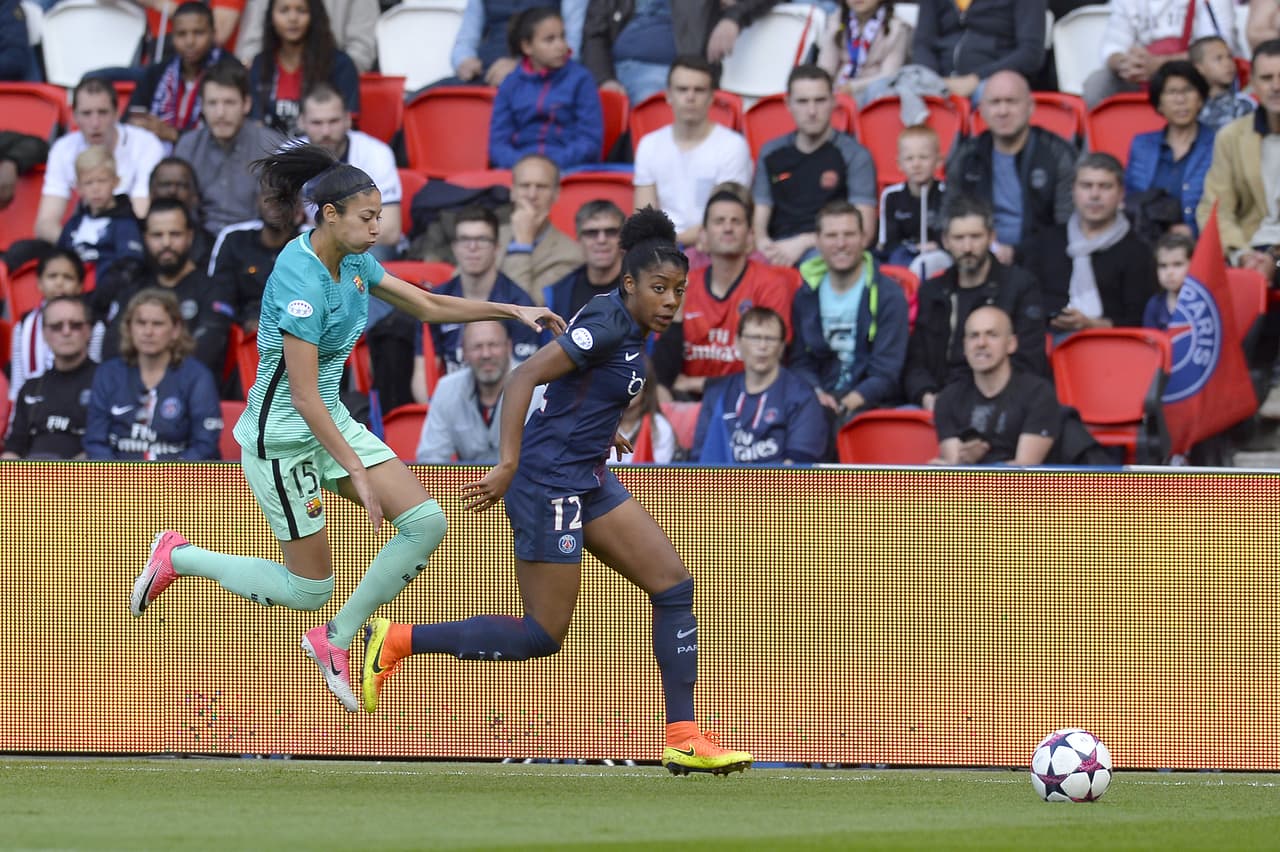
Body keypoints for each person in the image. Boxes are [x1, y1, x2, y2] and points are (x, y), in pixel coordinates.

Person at [127, 143, 564, 715]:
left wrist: (511, 311)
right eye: (367, 217)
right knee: (310, 589)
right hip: (281, 441)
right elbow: (302, 396)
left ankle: (334, 640)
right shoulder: (298, 277)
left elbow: (426, 306)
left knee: (425, 522)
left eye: (379, 215)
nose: (378, 227)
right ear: (329, 215)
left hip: (328, 421)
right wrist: (356, 471)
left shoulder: (354, 260)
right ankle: (179, 556)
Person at [357, 207, 753, 776]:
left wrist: (600, 420)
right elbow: (525, 377)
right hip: (547, 481)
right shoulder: (610, 324)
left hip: (586, 473)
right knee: (541, 633)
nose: (670, 301)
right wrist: (510, 463)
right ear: (630, 285)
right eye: (660, 289)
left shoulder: (625, 325)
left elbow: (586, 379)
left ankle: (684, 735)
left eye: (679, 291)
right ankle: (396, 640)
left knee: (672, 585)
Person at [652, 189, 801, 401]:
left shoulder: (771, 285)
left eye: (736, 221)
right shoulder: (682, 285)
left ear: (750, 237)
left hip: (750, 398)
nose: (728, 228)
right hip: (688, 400)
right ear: (702, 236)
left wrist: (699, 383)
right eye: (719, 221)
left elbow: (768, 365)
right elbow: (664, 374)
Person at [903, 195, 1046, 410]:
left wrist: (970, 398)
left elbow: (1029, 360)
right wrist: (926, 395)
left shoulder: (1020, 286)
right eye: (959, 238)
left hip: (999, 401)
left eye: (975, 237)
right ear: (945, 240)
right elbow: (915, 362)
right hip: (938, 400)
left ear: (991, 237)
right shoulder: (932, 291)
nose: (967, 247)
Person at [791, 200, 909, 419]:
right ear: (817, 241)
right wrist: (816, 395)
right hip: (819, 399)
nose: (841, 243)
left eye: (849, 234)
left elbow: (887, 372)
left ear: (864, 239)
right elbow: (800, 361)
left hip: (870, 404)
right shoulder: (805, 295)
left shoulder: (888, 295)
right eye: (831, 236)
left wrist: (843, 405)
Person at [945, 70, 1076, 265]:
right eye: (995, 103)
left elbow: (1066, 226)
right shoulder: (966, 156)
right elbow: (950, 215)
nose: (1003, 111)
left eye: (1011, 101)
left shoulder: (1057, 154)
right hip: (975, 255)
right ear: (982, 109)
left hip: (1041, 260)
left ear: (1030, 107)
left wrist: (1018, 252)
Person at [92, 199, 235, 378]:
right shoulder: (133, 289)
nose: (166, 243)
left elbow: (207, 352)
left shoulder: (214, 289)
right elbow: (112, 349)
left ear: (190, 236)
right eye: (157, 235)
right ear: (145, 238)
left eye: (175, 234)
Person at [752, 65, 878, 268]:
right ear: (788, 103)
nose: (811, 111)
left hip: (828, 250)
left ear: (834, 101)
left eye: (820, 100)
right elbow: (759, 222)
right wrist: (765, 245)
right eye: (802, 101)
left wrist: (803, 242)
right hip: (777, 248)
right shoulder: (771, 152)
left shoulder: (855, 155)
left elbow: (864, 232)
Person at [1025, 152, 1158, 332]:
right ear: (1073, 191)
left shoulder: (1138, 252)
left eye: (1105, 186)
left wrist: (1092, 325)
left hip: (1111, 349)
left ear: (1121, 194)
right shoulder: (1046, 242)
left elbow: (1140, 320)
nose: (1095, 195)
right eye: (1086, 186)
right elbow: (1028, 303)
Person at [84, 288, 222, 461]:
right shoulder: (108, 373)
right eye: (141, 323)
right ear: (129, 328)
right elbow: (96, 441)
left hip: (177, 482)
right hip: (117, 481)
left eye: (157, 324)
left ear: (175, 329)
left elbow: (204, 444)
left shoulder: (197, 376)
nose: (148, 332)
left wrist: (168, 482)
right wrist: (116, 481)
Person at [633, 55, 753, 247]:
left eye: (699, 90)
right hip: (660, 250)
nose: (690, 97)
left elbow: (728, 217)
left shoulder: (732, 146)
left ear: (712, 97)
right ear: (668, 95)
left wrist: (669, 241)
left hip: (712, 249)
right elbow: (643, 216)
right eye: (682, 89)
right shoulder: (649, 144)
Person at [693, 306, 830, 464]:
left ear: (781, 347)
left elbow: (799, 465)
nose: (762, 346)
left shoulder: (802, 397)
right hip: (722, 486)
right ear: (737, 343)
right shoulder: (717, 394)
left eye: (770, 339)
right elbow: (700, 459)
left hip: (778, 486)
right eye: (754, 338)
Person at [35, 78, 165, 243]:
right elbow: (45, 223)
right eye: (86, 113)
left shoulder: (146, 144)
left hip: (128, 239)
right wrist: (77, 246)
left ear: (117, 113)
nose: (95, 123)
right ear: (74, 116)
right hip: (80, 238)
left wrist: (99, 248)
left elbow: (140, 214)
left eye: (102, 113)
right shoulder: (63, 148)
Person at [582, 0, 780, 106]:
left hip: (680, 69)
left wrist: (733, 18)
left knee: (659, 99)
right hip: (623, 68)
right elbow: (594, 34)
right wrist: (604, 79)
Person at [175, 60, 289, 238]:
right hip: (200, 242)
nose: (220, 113)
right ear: (202, 106)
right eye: (212, 103)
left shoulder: (273, 146)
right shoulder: (188, 145)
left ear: (246, 104)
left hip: (256, 242)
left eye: (229, 102)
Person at [933, 305, 1058, 465]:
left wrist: (974, 466)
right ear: (964, 346)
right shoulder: (948, 398)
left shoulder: (1038, 393)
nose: (981, 343)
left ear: (1011, 344)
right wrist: (964, 461)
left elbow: (1025, 473)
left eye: (992, 335)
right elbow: (954, 468)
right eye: (973, 336)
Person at [1198, 39, 1280, 278]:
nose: (1276, 86)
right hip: (1253, 250)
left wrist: (1275, 263)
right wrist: (1242, 255)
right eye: (1266, 78)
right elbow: (1216, 209)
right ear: (1252, 84)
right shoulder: (1231, 137)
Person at [428, 206, 540, 374]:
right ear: (454, 247)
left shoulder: (519, 304)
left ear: (496, 247)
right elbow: (424, 374)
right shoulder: (436, 300)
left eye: (482, 239)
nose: (472, 247)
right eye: (465, 239)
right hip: (452, 396)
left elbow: (525, 374)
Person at [488, 7, 603, 171]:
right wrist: (525, 167)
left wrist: (547, 166)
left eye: (563, 37)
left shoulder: (581, 79)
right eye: (550, 40)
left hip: (569, 168)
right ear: (527, 47)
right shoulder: (510, 84)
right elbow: (498, 144)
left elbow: (590, 141)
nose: (561, 46)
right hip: (519, 168)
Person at [415, 321, 545, 464]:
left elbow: (546, 457)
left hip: (522, 482)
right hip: (467, 484)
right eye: (477, 347)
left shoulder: (536, 389)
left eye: (493, 345)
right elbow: (430, 458)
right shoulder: (446, 389)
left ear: (508, 347)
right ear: (464, 352)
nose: (486, 354)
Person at [299, 83, 402, 254]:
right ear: (301, 122)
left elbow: (390, 230)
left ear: (348, 120)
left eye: (334, 121)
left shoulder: (375, 153)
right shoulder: (289, 154)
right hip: (309, 247)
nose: (326, 131)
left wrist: (325, 235)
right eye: (317, 123)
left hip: (368, 248)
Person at [1085, 0, 1238, 108]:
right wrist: (1125, 63)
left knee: (1214, 69)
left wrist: (1159, 65)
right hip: (1140, 75)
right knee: (1098, 83)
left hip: (1194, 71)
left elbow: (1217, 47)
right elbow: (1112, 45)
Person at [1124, 61, 1217, 236]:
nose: (1181, 100)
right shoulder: (1141, 145)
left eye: (1188, 90)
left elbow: (1225, 206)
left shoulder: (1218, 144)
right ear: (1159, 104)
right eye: (1171, 92)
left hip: (1200, 242)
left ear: (1201, 99)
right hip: (1148, 239)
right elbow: (1131, 197)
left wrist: (1193, 231)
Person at [3, 296, 98, 460]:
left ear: (88, 330)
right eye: (56, 326)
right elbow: (14, 446)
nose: (66, 332)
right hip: (31, 477)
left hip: (83, 477)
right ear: (45, 334)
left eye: (75, 325)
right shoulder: (30, 387)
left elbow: (106, 445)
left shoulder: (107, 383)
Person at [126, 2, 234, 146]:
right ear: (172, 36)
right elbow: (129, 119)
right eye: (181, 34)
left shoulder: (231, 70)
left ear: (213, 33)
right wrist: (140, 124)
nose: (190, 41)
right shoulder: (157, 72)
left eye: (198, 32)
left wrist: (172, 134)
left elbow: (230, 130)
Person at [248, 0, 360, 136]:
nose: (293, 18)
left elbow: (346, 127)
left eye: (301, 10)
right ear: (271, 17)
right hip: (268, 154)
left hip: (322, 152)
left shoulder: (340, 64)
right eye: (284, 10)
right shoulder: (261, 63)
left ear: (314, 16)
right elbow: (255, 125)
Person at [8, 250, 104, 406]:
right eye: (52, 276)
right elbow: (18, 383)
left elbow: (94, 371)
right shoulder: (24, 325)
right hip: (33, 408)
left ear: (80, 286)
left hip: (79, 403)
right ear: (39, 283)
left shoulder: (94, 324)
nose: (59, 283)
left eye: (68, 277)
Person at [910, 0, 1046, 100]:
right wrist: (931, 80)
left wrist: (976, 78)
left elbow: (1031, 53)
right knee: (897, 93)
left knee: (994, 96)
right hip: (938, 79)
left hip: (991, 78)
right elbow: (923, 44)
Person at [209, 195, 303, 336]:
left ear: (298, 206)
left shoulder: (310, 247)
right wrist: (244, 322)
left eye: (283, 197)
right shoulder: (235, 242)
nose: (275, 203)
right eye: (269, 196)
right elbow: (221, 300)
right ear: (257, 200)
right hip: (239, 336)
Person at [499, 153, 585, 301]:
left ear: (556, 194)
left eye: (541, 187)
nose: (532, 195)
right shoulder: (489, 237)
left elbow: (524, 311)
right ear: (512, 192)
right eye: (525, 186)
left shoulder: (571, 255)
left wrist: (522, 244)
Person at [56, 146, 144, 282]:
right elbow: (57, 259)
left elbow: (130, 265)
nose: (95, 189)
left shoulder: (125, 224)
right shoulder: (73, 224)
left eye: (102, 181)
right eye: (88, 183)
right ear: (79, 188)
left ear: (116, 182)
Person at [877, 125, 948, 274]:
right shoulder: (891, 196)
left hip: (938, 255)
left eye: (924, 157)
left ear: (939, 161)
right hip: (903, 256)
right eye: (909, 158)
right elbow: (888, 243)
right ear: (899, 164)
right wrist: (913, 248)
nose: (916, 164)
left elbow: (952, 237)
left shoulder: (947, 194)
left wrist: (937, 246)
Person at [541, 199, 626, 323]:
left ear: (623, 238)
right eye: (591, 233)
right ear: (579, 239)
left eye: (611, 232)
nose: (601, 240)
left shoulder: (641, 290)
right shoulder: (558, 294)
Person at [235, 0, 378, 73]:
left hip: (330, 81)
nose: (292, 18)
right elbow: (249, 49)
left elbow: (361, 52)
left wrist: (334, 74)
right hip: (272, 79)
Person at [816, 0, 913, 104]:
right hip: (836, 93)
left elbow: (889, 76)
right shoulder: (836, 19)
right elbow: (825, 69)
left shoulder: (898, 28)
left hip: (875, 97)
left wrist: (853, 87)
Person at [450, 0, 551, 89]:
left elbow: (564, 46)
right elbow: (465, 42)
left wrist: (522, 66)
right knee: (436, 96)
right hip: (483, 73)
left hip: (536, 76)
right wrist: (464, 61)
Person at [149, 157, 215, 269]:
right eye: (165, 184)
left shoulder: (209, 246)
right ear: (151, 192)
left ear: (195, 195)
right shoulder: (134, 235)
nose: (172, 191)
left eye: (181, 185)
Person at [610, 357, 677, 464]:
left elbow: (657, 475)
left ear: (646, 387)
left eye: (633, 382)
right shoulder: (600, 424)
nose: (627, 388)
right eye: (621, 381)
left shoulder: (660, 428)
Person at [1190, 35, 1255, 129]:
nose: (1228, 63)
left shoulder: (1243, 104)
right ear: (1199, 67)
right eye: (1218, 58)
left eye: (1230, 57)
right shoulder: (1190, 106)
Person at [1143, 230, 1195, 330]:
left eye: (1177, 264)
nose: (1169, 272)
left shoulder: (1201, 305)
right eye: (1163, 266)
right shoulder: (1154, 305)